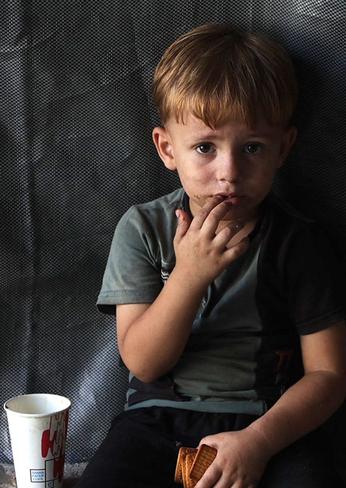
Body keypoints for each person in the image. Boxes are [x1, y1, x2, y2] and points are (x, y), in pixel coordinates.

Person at [76, 23, 346, 488]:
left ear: (283, 148)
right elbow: (143, 362)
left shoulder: (298, 243)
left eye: (252, 148)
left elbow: (329, 375)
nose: (230, 173)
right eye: (205, 147)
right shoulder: (143, 229)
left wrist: (258, 442)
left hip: (266, 421)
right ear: (167, 149)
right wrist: (189, 275)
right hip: (156, 422)